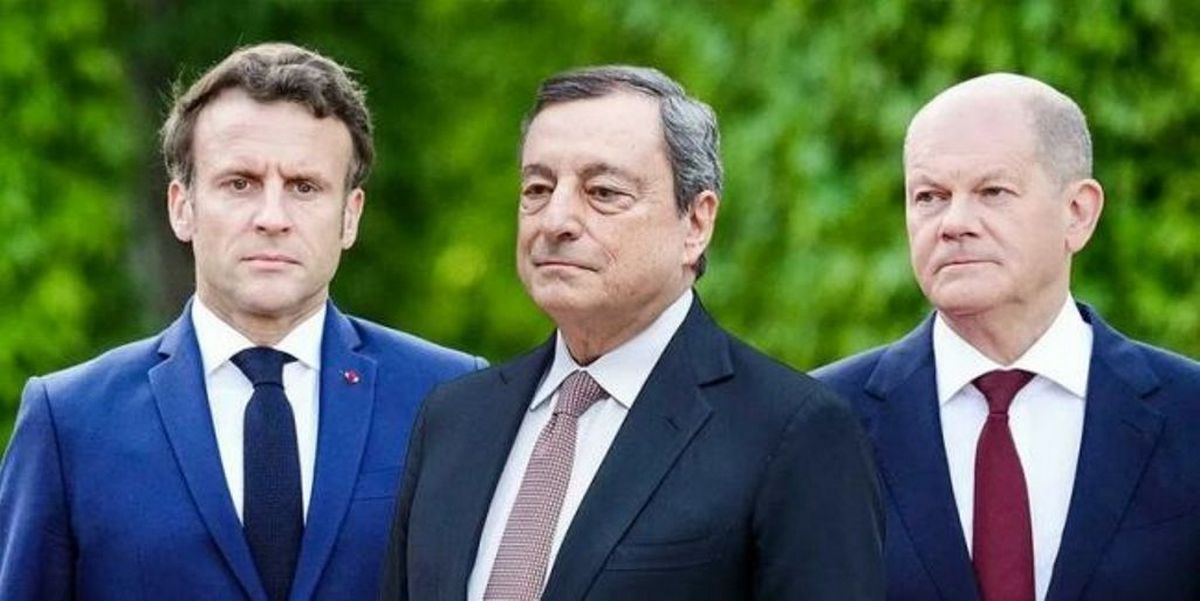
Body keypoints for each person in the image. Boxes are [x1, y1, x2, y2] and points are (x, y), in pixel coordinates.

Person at [380, 65, 884, 601]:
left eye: (602, 191)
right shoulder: (454, 419)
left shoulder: (793, 432)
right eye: (537, 188)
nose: (555, 220)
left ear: (696, 223)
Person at [0, 42, 484, 600]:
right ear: (182, 207)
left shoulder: (449, 399)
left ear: (350, 216)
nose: (272, 217)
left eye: (304, 187)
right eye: (240, 183)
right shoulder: (70, 421)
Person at [815, 73, 1200, 601]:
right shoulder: (818, 426)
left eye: (992, 192)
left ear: (1078, 213)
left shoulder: (1189, 413)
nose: (954, 222)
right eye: (929, 196)